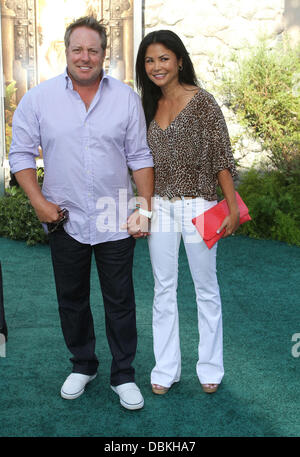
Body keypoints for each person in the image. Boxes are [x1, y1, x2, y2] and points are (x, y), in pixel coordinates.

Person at [9, 16, 154, 410]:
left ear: (104, 54)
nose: (85, 57)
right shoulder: (39, 99)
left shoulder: (125, 98)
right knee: (71, 298)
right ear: (66, 52)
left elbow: (140, 156)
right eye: (78, 49)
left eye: (93, 50)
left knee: (120, 300)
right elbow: (20, 154)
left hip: (116, 216)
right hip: (64, 219)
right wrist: (39, 202)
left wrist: (145, 209)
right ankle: (83, 364)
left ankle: (123, 374)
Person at [134, 30, 239, 395]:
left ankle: (210, 367)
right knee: (163, 289)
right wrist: (141, 207)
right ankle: (166, 369)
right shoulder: (146, 105)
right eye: (149, 60)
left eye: (164, 58)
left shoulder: (204, 102)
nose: (156, 66)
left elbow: (222, 158)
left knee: (205, 288)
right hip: (160, 206)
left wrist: (231, 208)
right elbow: (139, 161)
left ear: (179, 60)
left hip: (201, 205)